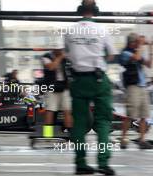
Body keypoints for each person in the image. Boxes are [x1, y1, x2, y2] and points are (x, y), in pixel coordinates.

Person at [64, 0, 116, 175]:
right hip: (98, 79)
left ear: (80, 11)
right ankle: (103, 163)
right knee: (102, 122)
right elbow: (111, 54)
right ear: (96, 11)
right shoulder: (102, 30)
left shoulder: (70, 30)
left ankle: (80, 163)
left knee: (79, 123)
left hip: (78, 80)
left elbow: (66, 54)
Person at [119, 33, 153, 149]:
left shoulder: (136, 51)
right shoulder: (125, 53)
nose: (137, 44)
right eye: (136, 42)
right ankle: (123, 139)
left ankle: (142, 139)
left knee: (144, 115)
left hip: (142, 86)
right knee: (130, 115)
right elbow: (137, 58)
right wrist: (141, 45)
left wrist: (150, 49)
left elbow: (149, 65)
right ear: (131, 43)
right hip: (132, 87)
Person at [42, 49, 73, 133]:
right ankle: (47, 134)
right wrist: (60, 57)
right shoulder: (46, 56)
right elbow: (51, 67)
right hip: (50, 87)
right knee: (50, 110)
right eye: (59, 49)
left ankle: (69, 134)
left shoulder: (66, 57)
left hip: (64, 87)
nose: (61, 51)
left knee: (67, 110)